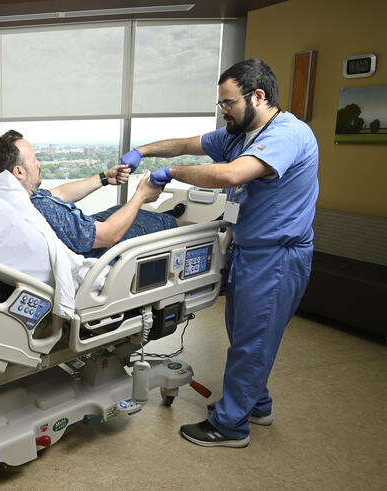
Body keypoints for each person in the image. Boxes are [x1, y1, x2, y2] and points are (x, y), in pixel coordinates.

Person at [120, 59, 319, 448]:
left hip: (277, 257)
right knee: (245, 336)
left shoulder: (289, 134)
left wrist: (173, 173)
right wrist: (140, 151)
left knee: (252, 341)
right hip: (249, 250)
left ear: (257, 96)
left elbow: (232, 175)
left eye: (228, 103)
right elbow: (186, 144)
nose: (223, 111)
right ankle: (255, 404)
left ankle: (231, 427)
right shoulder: (235, 133)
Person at [0, 130, 173, 259]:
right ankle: (188, 225)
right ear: (19, 172)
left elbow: (60, 193)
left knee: (118, 209)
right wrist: (141, 195)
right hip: (101, 250)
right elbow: (108, 236)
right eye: (34, 160)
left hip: (84, 232)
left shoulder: (18, 198)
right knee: (156, 222)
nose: (39, 164)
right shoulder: (41, 207)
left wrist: (104, 178)